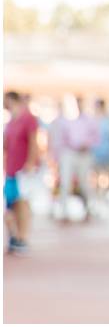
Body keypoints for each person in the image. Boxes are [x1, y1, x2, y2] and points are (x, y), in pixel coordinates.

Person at [5, 92, 41, 254]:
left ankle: (23, 237)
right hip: (11, 168)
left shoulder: (28, 119)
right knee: (10, 205)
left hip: (23, 169)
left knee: (22, 203)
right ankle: (15, 236)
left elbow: (34, 142)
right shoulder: (11, 121)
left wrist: (31, 162)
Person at [57, 96, 97, 221]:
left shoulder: (89, 120)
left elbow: (95, 137)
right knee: (65, 182)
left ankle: (89, 208)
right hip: (69, 152)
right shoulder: (65, 120)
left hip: (83, 154)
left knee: (84, 182)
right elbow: (61, 138)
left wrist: (87, 145)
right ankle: (63, 210)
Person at [91, 98, 109, 208]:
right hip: (96, 152)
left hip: (107, 152)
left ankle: (104, 194)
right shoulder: (94, 120)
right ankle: (97, 196)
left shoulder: (108, 119)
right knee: (96, 176)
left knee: (108, 176)